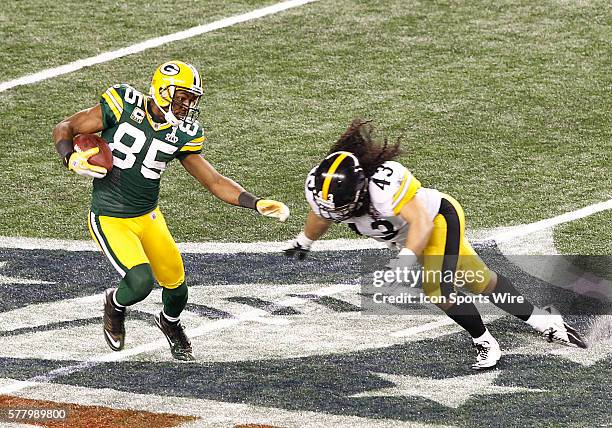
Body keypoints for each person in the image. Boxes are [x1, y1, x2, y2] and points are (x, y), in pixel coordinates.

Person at [284, 118, 586, 370]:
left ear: (361, 189)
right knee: (480, 281)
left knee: (437, 288)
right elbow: (321, 214)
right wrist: (305, 240)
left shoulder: (384, 188)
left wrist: (404, 259)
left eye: (341, 206)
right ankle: (543, 320)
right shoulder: (326, 193)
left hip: (437, 220)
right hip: (409, 235)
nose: (336, 213)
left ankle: (484, 341)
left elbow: (422, 224)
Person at [53, 60, 289, 361]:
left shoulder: (184, 133)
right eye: (183, 97)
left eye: (192, 99)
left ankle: (170, 323)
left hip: (149, 217)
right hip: (110, 217)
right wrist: (69, 156)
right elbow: (65, 127)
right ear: (163, 92)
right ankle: (115, 304)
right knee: (140, 283)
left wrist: (254, 202)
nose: (188, 105)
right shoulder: (122, 105)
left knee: (178, 291)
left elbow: (214, 181)